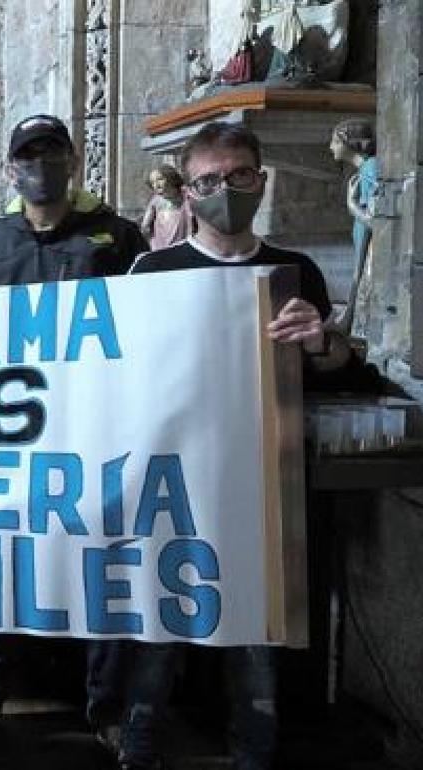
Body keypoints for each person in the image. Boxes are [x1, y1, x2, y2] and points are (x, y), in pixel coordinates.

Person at [121, 121, 355, 770]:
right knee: (157, 630)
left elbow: (338, 365)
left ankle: (254, 749)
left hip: (261, 487)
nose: (226, 189)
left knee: (255, 634)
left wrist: (320, 341)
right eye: (209, 180)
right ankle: (138, 742)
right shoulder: (150, 270)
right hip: (170, 485)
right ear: (189, 194)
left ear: (260, 180)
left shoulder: (294, 272)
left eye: (239, 176)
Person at [0, 114, 149, 750]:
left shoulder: (117, 236)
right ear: (10, 169)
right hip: (12, 439)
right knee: (0, 562)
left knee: (107, 565)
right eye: (28, 155)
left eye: (51, 152)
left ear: (72, 161)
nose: (40, 165)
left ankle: (109, 709)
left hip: (97, 431)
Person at [329, 118, 378, 328]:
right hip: (364, 249)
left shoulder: (371, 168)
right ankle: (349, 318)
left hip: (371, 251)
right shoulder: (365, 169)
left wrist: (351, 204)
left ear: (349, 143)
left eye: (335, 141)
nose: (331, 147)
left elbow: (375, 221)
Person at [140, 165, 191, 251]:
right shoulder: (155, 201)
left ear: (171, 178)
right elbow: (145, 226)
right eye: (152, 182)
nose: (156, 185)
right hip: (160, 248)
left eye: (160, 179)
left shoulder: (187, 196)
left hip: (183, 246)